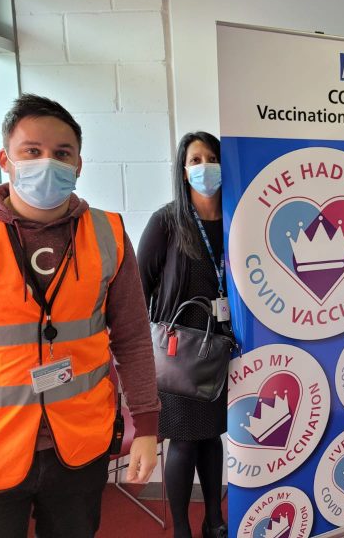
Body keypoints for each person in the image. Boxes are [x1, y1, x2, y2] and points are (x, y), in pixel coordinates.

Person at [0, 94, 160, 537]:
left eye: (61, 153)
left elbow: (131, 336)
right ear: (5, 160)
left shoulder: (108, 232)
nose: (46, 162)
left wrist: (145, 424)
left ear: (79, 164)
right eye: (32, 151)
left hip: (78, 445)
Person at [137, 131, 229, 538]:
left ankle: (214, 521)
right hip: (178, 352)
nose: (204, 166)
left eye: (211, 157)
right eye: (195, 159)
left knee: (211, 438)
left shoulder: (237, 217)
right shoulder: (166, 221)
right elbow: (138, 286)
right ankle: (181, 532)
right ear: (183, 167)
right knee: (185, 441)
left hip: (222, 346)